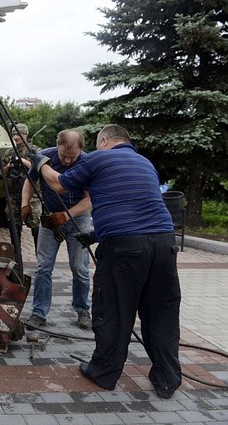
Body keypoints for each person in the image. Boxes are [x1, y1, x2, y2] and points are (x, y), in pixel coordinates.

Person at [33, 124, 181, 399]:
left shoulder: (98, 158)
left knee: (114, 310)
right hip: (164, 244)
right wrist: (94, 234)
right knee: (161, 314)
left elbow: (59, 184)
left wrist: (40, 161)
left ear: (104, 140)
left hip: (124, 250)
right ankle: (167, 379)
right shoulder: (144, 162)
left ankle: (103, 372)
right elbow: (130, 204)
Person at [22, 130, 92, 330]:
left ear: (81, 150)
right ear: (57, 146)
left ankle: (82, 309)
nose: (68, 161)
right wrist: (24, 204)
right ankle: (38, 312)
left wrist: (67, 215)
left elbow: (89, 199)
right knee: (43, 267)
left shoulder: (87, 163)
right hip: (50, 218)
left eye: (73, 157)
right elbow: (29, 181)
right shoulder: (45, 157)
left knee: (80, 267)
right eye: (64, 156)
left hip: (79, 219)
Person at [2, 124, 41, 249]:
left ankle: (39, 257)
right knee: (13, 224)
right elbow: (1, 173)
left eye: (19, 134)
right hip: (14, 194)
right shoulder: (9, 152)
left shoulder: (34, 150)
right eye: (14, 134)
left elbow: (41, 169)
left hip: (32, 195)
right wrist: (9, 165)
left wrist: (23, 161)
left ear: (26, 134)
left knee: (36, 224)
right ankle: (16, 254)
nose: (16, 137)